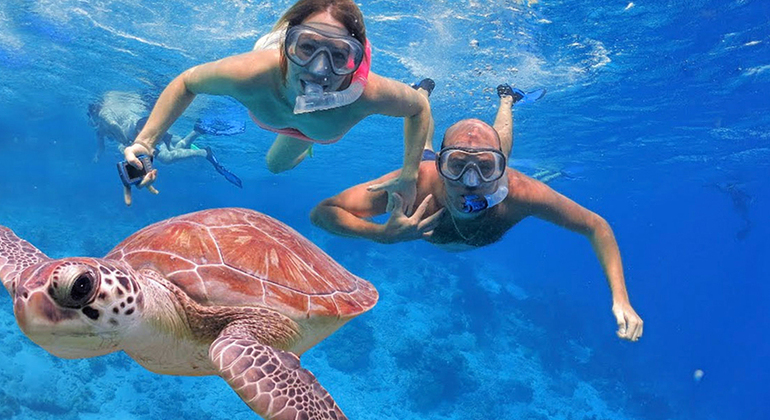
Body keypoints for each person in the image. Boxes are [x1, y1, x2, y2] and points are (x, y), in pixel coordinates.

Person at [310, 82, 643, 342]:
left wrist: (621, 299)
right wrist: (381, 235)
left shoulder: (520, 192)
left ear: (500, 170)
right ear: (442, 165)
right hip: (429, 163)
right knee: (421, 150)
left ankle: (507, 101)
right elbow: (323, 212)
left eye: (486, 167)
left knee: (501, 145)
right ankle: (420, 98)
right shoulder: (418, 182)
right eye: (456, 164)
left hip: (490, 167)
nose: (471, 182)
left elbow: (596, 226)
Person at [122, 0, 432, 208]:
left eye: (338, 55)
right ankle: (307, 138)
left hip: (311, 130)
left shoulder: (367, 94)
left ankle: (308, 142)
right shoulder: (252, 74)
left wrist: (409, 176)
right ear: (286, 45)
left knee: (275, 165)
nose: (318, 69)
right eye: (307, 47)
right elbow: (187, 82)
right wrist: (145, 143)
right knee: (275, 164)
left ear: (355, 59)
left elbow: (419, 108)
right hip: (301, 113)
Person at [88, 91, 243, 189]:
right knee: (174, 148)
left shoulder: (103, 115)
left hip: (141, 130)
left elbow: (115, 127)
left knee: (167, 158)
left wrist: (129, 145)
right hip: (143, 127)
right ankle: (196, 132)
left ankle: (204, 152)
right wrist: (97, 156)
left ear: (94, 112)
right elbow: (100, 145)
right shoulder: (99, 128)